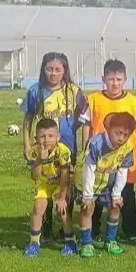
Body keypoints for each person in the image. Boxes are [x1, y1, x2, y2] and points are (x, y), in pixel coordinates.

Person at [79, 59, 136, 244]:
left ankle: (130, 230)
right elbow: (86, 125)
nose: (114, 83)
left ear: (125, 79)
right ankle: (92, 230)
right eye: (110, 79)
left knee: (126, 193)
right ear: (103, 79)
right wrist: (86, 147)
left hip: (124, 156)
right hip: (100, 156)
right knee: (95, 193)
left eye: (118, 79)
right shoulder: (93, 99)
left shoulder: (133, 101)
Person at [21, 52, 86, 241]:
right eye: (49, 69)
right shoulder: (36, 91)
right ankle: (46, 227)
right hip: (44, 148)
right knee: (45, 183)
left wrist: (77, 136)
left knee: (67, 184)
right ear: (43, 70)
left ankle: (66, 227)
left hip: (67, 148)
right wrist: (26, 144)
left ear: (65, 71)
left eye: (58, 69)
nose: (53, 73)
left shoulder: (74, 91)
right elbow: (28, 119)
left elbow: (84, 117)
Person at [77, 112, 136, 258]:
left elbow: (123, 172)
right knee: (88, 208)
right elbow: (88, 170)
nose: (121, 138)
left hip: (107, 184)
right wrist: (87, 195)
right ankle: (86, 243)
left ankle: (110, 240)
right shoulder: (96, 143)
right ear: (109, 128)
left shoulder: (128, 147)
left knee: (115, 206)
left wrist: (117, 195)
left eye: (125, 135)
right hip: (88, 182)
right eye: (118, 133)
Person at [23, 118, 75, 257]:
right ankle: (34, 242)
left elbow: (65, 177)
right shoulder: (35, 150)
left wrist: (62, 197)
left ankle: (70, 242)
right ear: (36, 137)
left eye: (51, 136)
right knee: (37, 208)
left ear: (58, 137)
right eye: (42, 136)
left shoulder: (63, 151)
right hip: (45, 182)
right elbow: (35, 176)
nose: (47, 140)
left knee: (62, 210)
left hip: (60, 183)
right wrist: (40, 159)